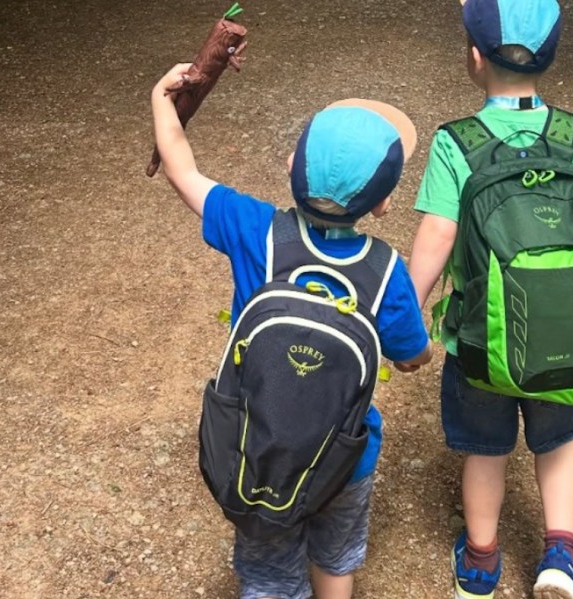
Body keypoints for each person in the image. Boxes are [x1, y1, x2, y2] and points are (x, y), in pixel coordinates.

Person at [151, 64, 433, 599]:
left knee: (267, 573)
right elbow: (411, 354)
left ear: (289, 166)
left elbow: (181, 170)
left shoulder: (257, 231)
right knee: (335, 559)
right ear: (382, 202)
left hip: (258, 445)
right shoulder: (386, 271)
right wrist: (417, 358)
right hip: (345, 457)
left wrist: (162, 100)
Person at [407, 1, 573, 598]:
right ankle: (560, 555)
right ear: (551, 56)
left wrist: (401, 314)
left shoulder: (457, 143)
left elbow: (436, 238)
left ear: (473, 58)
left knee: (485, 450)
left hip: (480, 342)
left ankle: (480, 562)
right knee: (559, 441)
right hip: (567, 337)